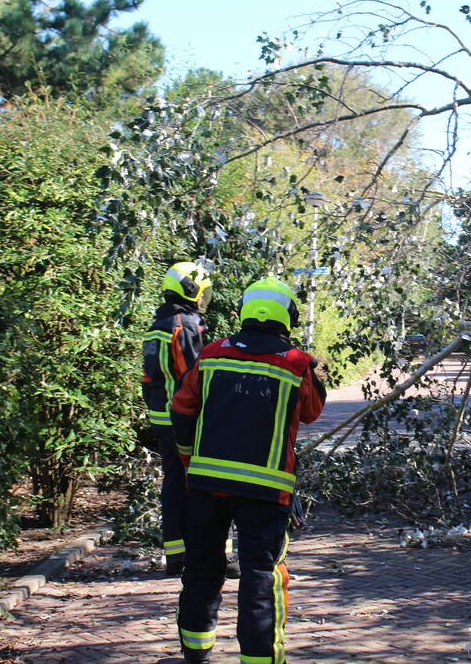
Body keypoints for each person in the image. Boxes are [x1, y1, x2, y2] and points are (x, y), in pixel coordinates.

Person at [171, 276, 326, 664]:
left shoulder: (211, 353)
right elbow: (312, 412)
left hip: (206, 485)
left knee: (202, 568)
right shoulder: (296, 363)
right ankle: (260, 660)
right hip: (266, 491)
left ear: (244, 312)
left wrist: (190, 462)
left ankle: (196, 653)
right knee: (260, 575)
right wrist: (318, 375)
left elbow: (182, 409)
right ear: (287, 315)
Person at [141, 262, 212, 576]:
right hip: (185, 416)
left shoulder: (159, 323)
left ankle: (176, 556)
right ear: (191, 288)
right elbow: (194, 374)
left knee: (173, 483)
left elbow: (148, 377)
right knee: (205, 484)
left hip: (162, 416)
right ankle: (211, 555)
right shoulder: (183, 324)